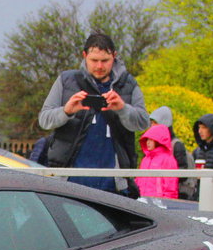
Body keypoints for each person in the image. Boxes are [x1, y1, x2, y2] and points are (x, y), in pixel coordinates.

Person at [38, 32, 150, 194]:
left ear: (115, 56)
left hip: (114, 184)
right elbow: (44, 120)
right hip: (70, 181)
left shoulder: (128, 83)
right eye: (94, 60)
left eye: (105, 61)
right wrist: (66, 111)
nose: (99, 66)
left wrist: (122, 109)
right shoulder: (65, 80)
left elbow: (143, 123)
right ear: (84, 56)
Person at [149, 105, 196, 198]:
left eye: (155, 123)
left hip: (176, 195)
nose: (152, 126)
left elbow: (182, 173)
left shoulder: (176, 145)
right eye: (151, 123)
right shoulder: (153, 145)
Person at [136, 124, 179, 199]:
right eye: (146, 139)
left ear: (158, 140)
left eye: (150, 139)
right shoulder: (145, 159)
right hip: (142, 201)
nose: (147, 142)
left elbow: (170, 188)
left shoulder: (168, 159)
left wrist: (166, 203)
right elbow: (138, 182)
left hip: (159, 203)